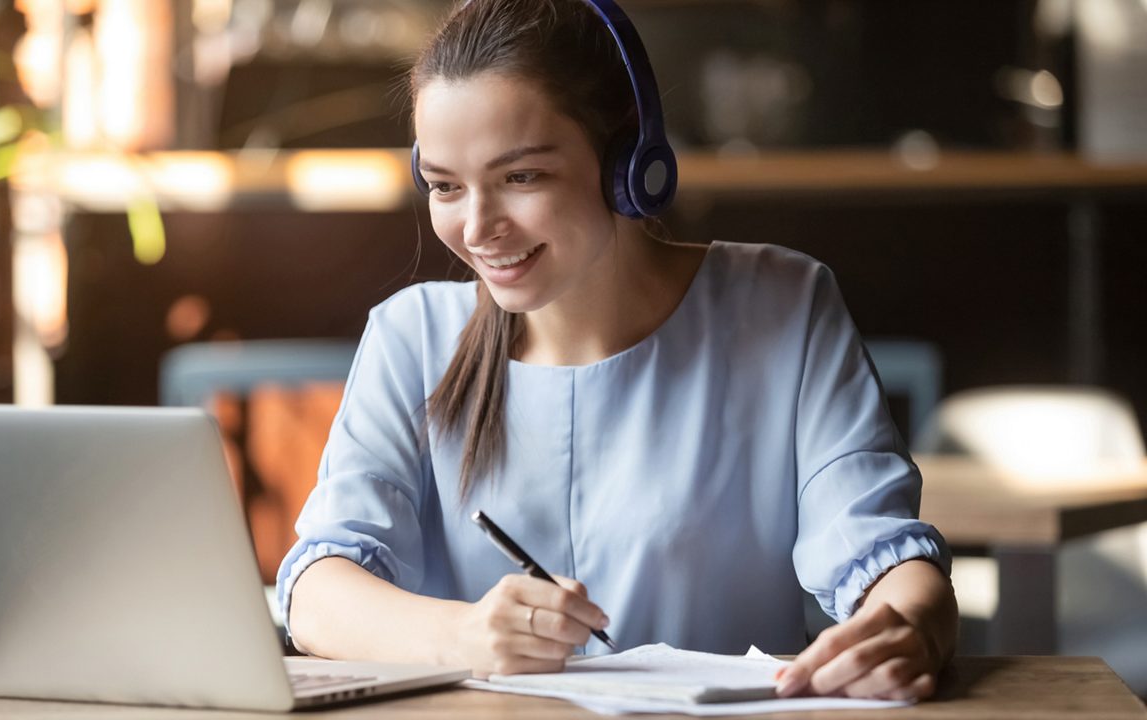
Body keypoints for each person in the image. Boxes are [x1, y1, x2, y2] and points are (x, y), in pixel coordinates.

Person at [276, 0, 958, 701]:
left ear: (629, 162)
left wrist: (910, 625)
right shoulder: (411, 335)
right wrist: (468, 636)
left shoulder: (783, 305)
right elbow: (316, 593)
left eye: (521, 178)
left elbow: (877, 550)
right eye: (446, 186)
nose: (477, 228)